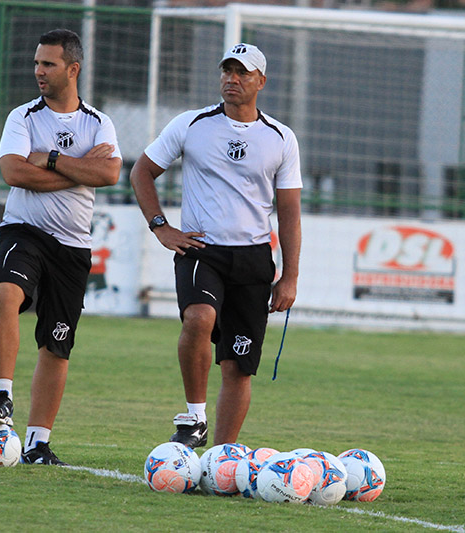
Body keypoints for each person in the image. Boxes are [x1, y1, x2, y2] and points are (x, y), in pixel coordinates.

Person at [129, 43, 302, 448]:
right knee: (199, 318)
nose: (232, 79)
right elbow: (142, 171)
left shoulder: (281, 138)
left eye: (242, 72)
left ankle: (222, 457)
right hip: (201, 251)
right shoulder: (191, 124)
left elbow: (290, 211)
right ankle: (193, 418)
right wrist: (161, 226)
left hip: (254, 259)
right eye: (227, 71)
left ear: (261, 81)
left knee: (238, 367)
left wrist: (289, 276)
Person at [0, 28, 121, 465]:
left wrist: (54, 160)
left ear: (72, 69)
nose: (38, 71)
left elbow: (111, 174)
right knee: (5, 293)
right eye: (37, 62)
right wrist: (81, 169)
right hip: (24, 230)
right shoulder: (22, 117)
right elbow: (14, 173)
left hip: (74, 246)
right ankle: (1, 397)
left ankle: (37, 444)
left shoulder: (99, 122)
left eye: (48, 64)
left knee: (57, 344)